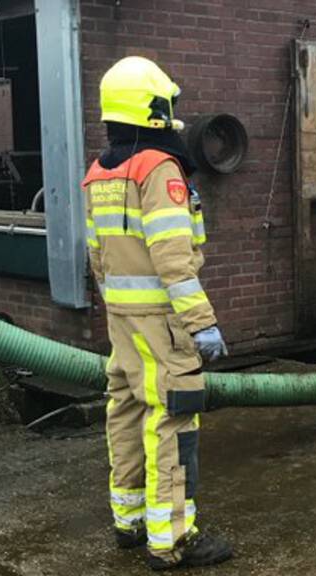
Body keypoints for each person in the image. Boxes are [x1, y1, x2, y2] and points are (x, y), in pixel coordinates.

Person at [82, 56, 232, 569]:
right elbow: (174, 259)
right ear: (154, 109)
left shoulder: (99, 172)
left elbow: (96, 256)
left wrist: (118, 306)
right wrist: (202, 323)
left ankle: (129, 520)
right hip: (163, 322)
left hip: (122, 318)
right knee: (171, 418)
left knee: (124, 410)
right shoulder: (159, 168)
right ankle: (172, 539)